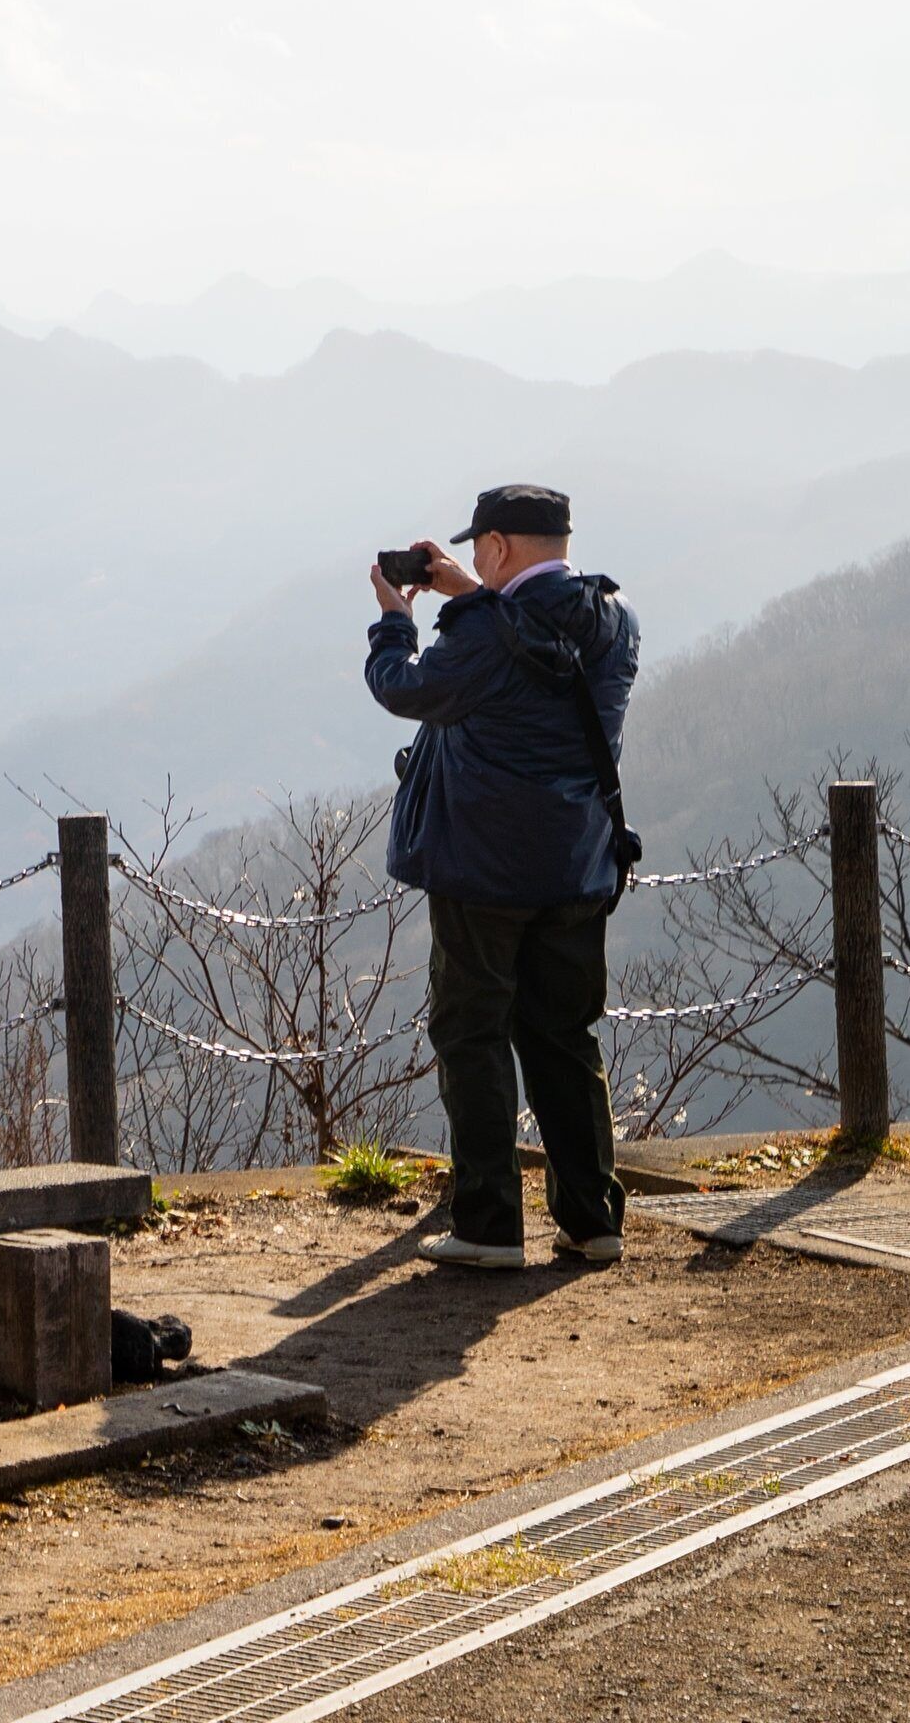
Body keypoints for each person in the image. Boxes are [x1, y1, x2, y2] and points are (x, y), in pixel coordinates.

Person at [365, 483, 640, 1271]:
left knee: (473, 1033)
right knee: (563, 1036)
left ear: (498, 547)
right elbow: (535, 641)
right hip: (579, 864)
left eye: (481, 546)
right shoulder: (616, 624)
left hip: (481, 869)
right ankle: (593, 1219)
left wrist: (395, 620)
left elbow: (403, 687)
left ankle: (487, 1226)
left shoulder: (488, 638)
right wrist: (473, 594)